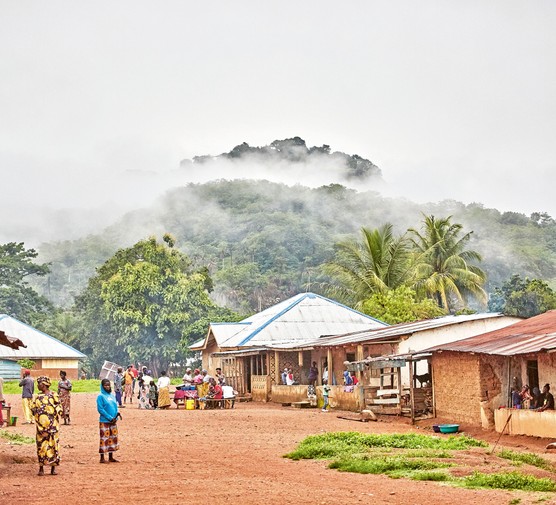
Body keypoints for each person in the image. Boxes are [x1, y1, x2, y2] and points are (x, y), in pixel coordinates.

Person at [31, 376, 62, 476]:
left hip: (53, 427)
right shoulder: (36, 397)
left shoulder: (54, 395)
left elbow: (59, 409)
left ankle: (53, 468)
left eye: (39, 384)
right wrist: (41, 427)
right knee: (41, 447)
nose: (37, 385)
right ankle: (41, 468)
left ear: (44, 385)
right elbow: (33, 410)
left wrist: (52, 425)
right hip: (41, 427)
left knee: (53, 446)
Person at [97, 378, 122, 463]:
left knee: (113, 438)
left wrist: (115, 417)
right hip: (104, 420)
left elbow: (115, 407)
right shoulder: (100, 396)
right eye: (105, 385)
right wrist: (109, 417)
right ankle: (102, 458)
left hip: (113, 420)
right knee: (104, 438)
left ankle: (111, 457)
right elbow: (100, 409)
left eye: (108, 385)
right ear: (102, 386)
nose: (107, 387)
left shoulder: (112, 396)